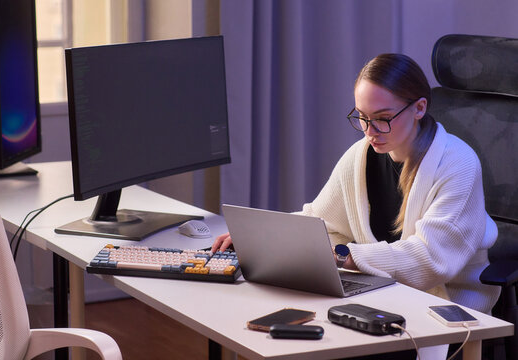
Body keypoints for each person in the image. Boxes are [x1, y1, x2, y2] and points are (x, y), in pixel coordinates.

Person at [213, 53, 500, 318]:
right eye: (362, 117)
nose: (370, 131)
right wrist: (258, 237)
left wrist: (348, 256)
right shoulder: (360, 156)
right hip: (384, 294)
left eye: (383, 119)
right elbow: (320, 223)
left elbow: (430, 260)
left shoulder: (458, 164)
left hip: (447, 305)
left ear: (419, 108)